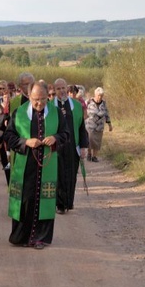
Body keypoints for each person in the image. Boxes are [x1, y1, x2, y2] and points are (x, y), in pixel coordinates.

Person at [3, 82, 70, 249]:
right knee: (25, 200)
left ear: (48, 97)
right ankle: (21, 237)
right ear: (29, 96)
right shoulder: (19, 113)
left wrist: (55, 138)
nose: (38, 103)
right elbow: (9, 137)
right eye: (35, 100)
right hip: (26, 166)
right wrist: (26, 142)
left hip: (48, 165)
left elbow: (66, 134)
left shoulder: (56, 113)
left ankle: (41, 238)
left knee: (44, 200)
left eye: (42, 99)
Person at [53, 78, 89, 214]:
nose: (61, 91)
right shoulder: (50, 106)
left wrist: (84, 146)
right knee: (59, 175)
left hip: (72, 146)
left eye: (63, 88)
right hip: (56, 147)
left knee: (71, 175)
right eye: (58, 88)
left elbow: (81, 127)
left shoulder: (76, 105)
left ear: (67, 89)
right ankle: (60, 205)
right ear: (54, 90)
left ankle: (69, 202)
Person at [85, 87, 113, 162]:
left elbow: (106, 114)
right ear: (95, 94)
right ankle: (89, 153)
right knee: (89, 140)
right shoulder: (88, 102)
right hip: (90, 125)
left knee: (97, 142)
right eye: (98, 95)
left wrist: (109, 124)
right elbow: (84, 112)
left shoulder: (104, 103)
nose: (100, 97)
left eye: (101, 95)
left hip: (99, 126)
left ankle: (94, 156)